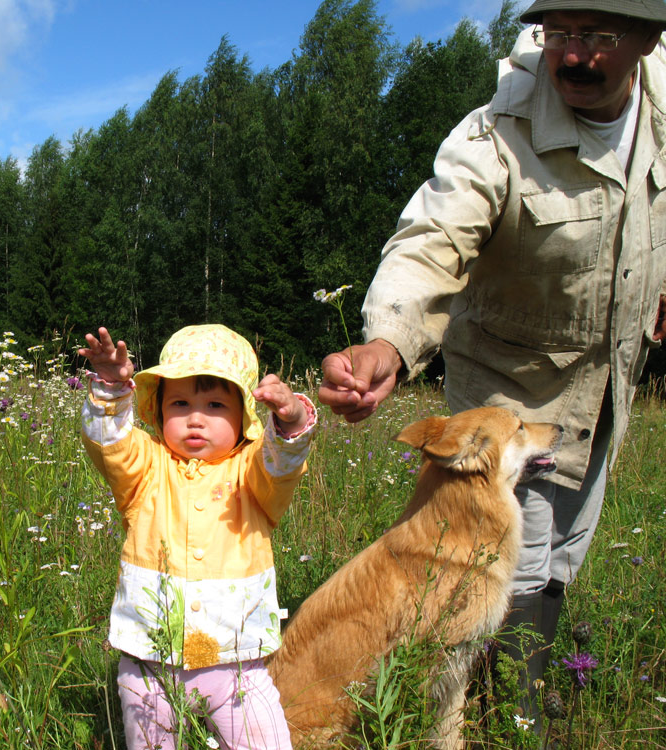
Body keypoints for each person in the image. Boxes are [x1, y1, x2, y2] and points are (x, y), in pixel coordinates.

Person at [319, 0, 666, 723]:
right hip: (510, 392)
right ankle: (515, 721)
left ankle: (508, 702)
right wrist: (387, 343)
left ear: (648, 38)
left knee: (564, 553)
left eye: (598, 35)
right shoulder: (498, 132)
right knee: (518, 559)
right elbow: (431, 239)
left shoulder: (662, 107)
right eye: (558, 32)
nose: (573, 54)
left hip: (607, 386)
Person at [78, 324, 316, 750]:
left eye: (215, 405)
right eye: (180, 403)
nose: (195, 418)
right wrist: (111, 388)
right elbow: (108, 443)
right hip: (149, 665)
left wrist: (291, 420)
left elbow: (282, 464)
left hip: (237, 664)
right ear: (159, 409)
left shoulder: (252, 472)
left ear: (244, 415)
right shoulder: (146, 467)